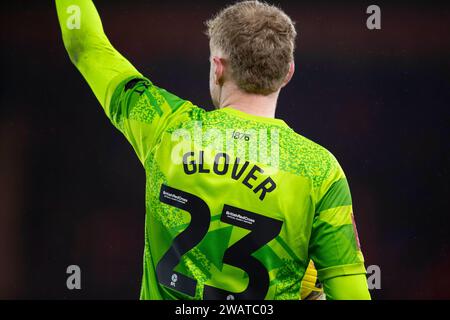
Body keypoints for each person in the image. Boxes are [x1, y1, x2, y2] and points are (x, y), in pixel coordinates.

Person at [55, 0, 370, 300]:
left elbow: (85, 45)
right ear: (288, 72)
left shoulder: (167, 128)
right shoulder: (319, 171)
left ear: (218, 67)